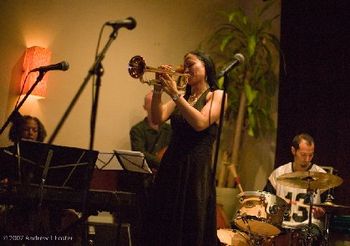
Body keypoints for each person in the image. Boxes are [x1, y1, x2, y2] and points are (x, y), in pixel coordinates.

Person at [143, 51, 225, 246]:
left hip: (195, 171)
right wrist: (157, 90)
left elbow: (201, 123)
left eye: (191, 65)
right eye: (185, 66)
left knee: (189, 225)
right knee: (164, 224)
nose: (186, 70)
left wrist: (174, 93)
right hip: (171, 166)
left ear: (206, 68)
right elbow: (157, 118)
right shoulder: (182, 97)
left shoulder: (217, 95)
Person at [0, 114, 80, 245]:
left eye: (34, 130)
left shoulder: (47, 155)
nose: (31, 133)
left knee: (72, 217)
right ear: (18, 131)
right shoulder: (8, 153)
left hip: (47, 204)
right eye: (26, 129)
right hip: (19, 204)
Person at [264, 133, 327, 245]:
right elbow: (266, 200)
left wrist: (322, 211)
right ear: (293, 151)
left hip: (309, 226)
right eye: (303, 155)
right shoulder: (279, 173)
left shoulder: (322, 176)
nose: (307, 159)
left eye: (310, 155)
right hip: (282, 224)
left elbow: (328, 207)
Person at [130, 90, 172, 172]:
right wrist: (161, 163)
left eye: (156, 102)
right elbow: (140, 154)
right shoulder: (137, 130)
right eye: (151, 102)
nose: (154, 105)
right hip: (144, 176)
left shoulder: (170, 129)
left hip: (165, 174)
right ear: (144, 107)